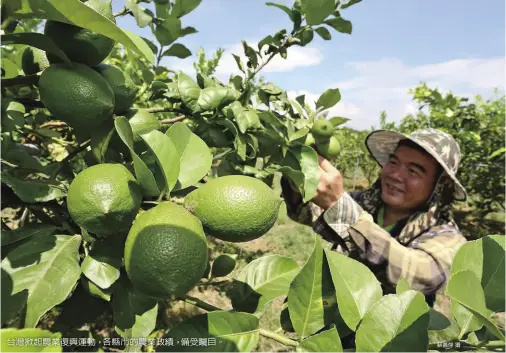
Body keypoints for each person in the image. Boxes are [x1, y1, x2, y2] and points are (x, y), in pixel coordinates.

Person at [281, 128, 468, 307]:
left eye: (413, 171)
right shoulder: (366, 203)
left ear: (439, 185)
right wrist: (298, 177)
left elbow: (419, 276)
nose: (395, 175)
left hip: (381, 337)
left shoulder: (446, 236)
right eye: (393, 162)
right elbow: (306, 212)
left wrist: (342, 210)